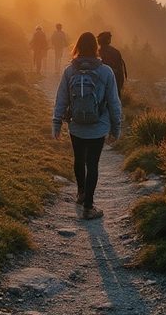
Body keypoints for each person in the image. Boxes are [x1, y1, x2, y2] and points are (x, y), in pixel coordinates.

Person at [52, 32, 122, 220]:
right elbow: (114, 102)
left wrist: (57, 123)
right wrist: (116, 128)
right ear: (96, 47)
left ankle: (81, 193)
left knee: (78, 159)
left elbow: (61, 100)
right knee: (92, 165)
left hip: (76, 126)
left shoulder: (69, 71)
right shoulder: (105, 71)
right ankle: (89, 207)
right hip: (98, 127)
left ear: (78, 47)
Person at [97, 31, 128, 98]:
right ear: (109, 40)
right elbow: (120, 74)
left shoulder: (96, 53)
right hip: (115, 86)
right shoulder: (116, 52)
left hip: (100, 88)